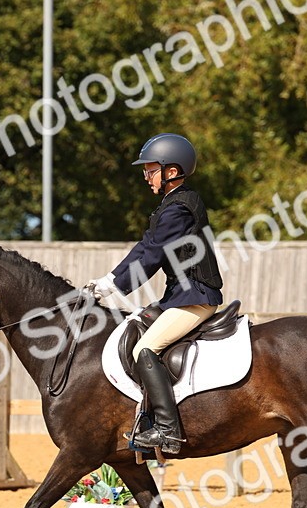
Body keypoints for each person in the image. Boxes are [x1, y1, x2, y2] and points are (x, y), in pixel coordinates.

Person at [86, 133, 224, 454]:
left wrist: (113, 285)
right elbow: (145, 247)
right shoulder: (171, 204)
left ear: (171, 172)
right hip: (178, 296)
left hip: (195, 297)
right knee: (137, 325)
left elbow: (152, 256)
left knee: (144, 350)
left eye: (150, 170)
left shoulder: (179, 209)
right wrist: (109, 279)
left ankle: (168, 431)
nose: (146, 177)